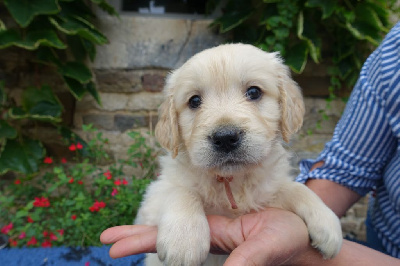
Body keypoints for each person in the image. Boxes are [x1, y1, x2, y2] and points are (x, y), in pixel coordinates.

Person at [100, 21, 400, 265]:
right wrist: (183, 206)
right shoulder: (179, 181)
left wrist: (304, 201)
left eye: (253, 93)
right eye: (195, 101)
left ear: (285, 105)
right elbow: (161, 198)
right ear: (172, 122)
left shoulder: (271, 173)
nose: (225, 129)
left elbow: (277, 192)